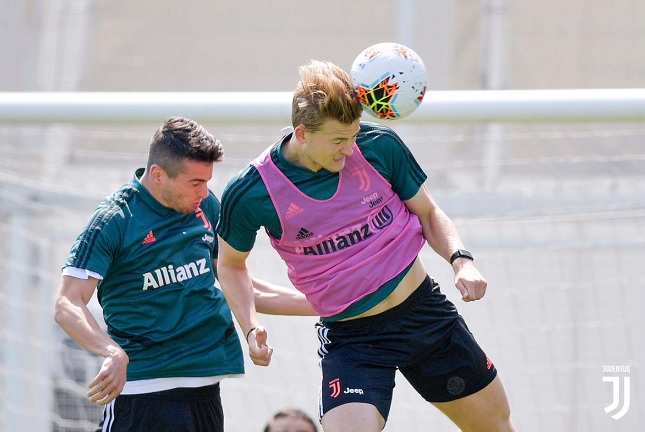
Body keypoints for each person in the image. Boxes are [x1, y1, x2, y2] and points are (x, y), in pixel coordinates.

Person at [216, 61, 515, 432]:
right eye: (338, 141)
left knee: (496, 427)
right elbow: (230, 266)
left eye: (354, 135)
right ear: (302, 133)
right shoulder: (251, 192)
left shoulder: (378, 147)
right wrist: (250, 326)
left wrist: (461, 260)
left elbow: (428, 212)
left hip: (425, 315)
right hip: (354, 340)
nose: (349, 149)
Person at [53, 116, 314, 432]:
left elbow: (237, 283)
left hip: (205, 390)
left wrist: (323, 304)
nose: (204, 192)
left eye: (207, 181)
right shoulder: (114, 220)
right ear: (158, 175)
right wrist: (111, 351)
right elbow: (67, 304)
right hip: (142, 393)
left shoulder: (206, 207)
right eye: (195, 183)